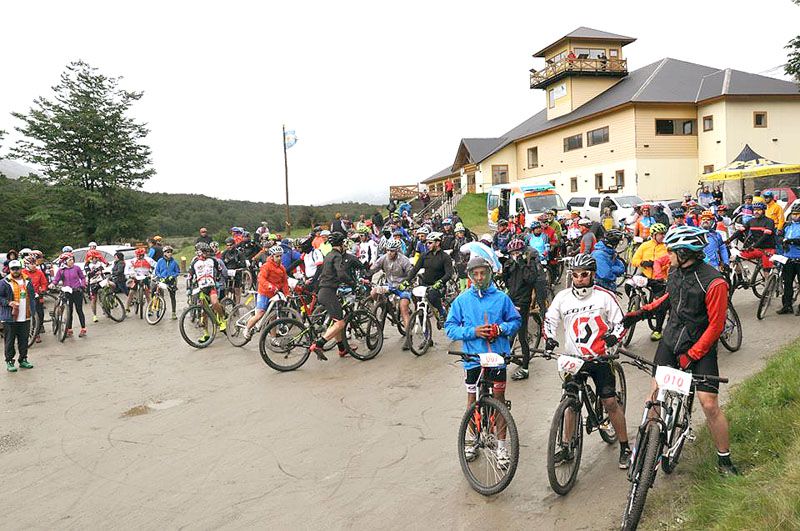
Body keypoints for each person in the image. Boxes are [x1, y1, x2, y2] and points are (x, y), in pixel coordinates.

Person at [622, 225, 738, 476]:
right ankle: (646, 446)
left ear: (684, 253)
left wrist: (693, 355)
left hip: (701, 347)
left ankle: (725, 460)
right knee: (654, 395)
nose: (668, 254)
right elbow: (669, 299)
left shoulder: (715, 282)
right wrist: (641, 313)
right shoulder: (674, 271)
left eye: (672, 250)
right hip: (671, 340)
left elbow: (716, 326)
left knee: (709, 404)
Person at [544, 254, 631, 468]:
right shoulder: (562, 297)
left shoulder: (604, 296)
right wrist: (550, 339)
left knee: (610, 402)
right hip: (574, 359)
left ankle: (625, 447)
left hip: (600, 357)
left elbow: (621, 322)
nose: (579, 279)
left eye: (584, 275)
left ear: (592, 275)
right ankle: (566, 446)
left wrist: (614, 337)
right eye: (575, 275)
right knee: (570, 403)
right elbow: (550, 320)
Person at [445, 255, 521, 467]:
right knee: (472, 400)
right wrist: (473, 332)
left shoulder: (502, 298)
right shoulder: (462, 300)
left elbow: (515, 321)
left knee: (499, 400)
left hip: (497, 357)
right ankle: (471, 441)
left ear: (489, 274)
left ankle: (502, 447)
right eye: (475, 274)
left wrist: (501, 329)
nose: (479, 277)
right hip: (473, 359)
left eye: (483, 273)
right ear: (470, 276)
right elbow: (450, 328)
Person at [309, 233, 356, 360]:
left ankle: (342, 348)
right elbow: (341, 274)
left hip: (323, 291)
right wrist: (352, 283)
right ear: (341, 244)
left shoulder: (328, 255)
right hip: (328, 292)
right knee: (340, 323)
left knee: (336, 320)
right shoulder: (337, 256)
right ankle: (319, 344)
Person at [502, 239, 543, 381]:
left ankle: (525, 368)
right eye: (512, 253)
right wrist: (506, 269)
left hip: (523, 301)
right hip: (511, 298)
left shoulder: (529, 263)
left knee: (521, 334)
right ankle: (506, 355)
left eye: (517, 253)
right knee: (506, 330)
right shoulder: (511, 263)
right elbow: (507, 282)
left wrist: (521, 263)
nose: (515, 255)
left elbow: (530, 279)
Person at [368, 239, 414, 348]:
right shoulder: (384, 258)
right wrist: (366, 273)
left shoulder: (404, 260)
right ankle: (386, 306)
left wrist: (406, 283)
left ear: (397, 251)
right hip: (389, 285)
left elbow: (411, 274)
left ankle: (409, 337)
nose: (389, 253)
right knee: (373, 292)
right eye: (388, 250)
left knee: (403, 308)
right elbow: (373, 268)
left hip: (403, 287)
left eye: (392, 251)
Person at [406, 232, 454, 330]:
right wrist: (406, 281)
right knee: (416, 299)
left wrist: (440, 282)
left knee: (432, 295)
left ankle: (442, 312)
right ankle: (426, 332)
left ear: (437, 243)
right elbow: (415, 270)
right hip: (424, 284)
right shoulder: (424, 255)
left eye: (430, 243)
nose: (427, 245)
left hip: (439, 285)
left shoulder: (445, 257)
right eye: (427, 243)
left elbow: (449, 273)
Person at [631, 223, 669, 341]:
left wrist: (659, 266)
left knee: (660, 306)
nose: (663, 236)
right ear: (653, 235)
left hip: (659, 279)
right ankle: (634, 303)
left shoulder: (666, 247)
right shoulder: (644, 246)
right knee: (629, 284)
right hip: (646, 276)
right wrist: (642, 263)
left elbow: (669, 263)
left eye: (664, 234)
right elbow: (634, 260)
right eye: (660, 234)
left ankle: (657, 330)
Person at [243, 246, 289, 340]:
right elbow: (261, 279)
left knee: (273, 317)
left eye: (281, 256)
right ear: (272, 256)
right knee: (260, 314)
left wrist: (287, 293)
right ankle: (246, 329)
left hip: (274, 294)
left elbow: (284, 282)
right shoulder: (266, 266)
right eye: (277, 256)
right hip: (264, 292)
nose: (279, 258)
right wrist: (270, 286)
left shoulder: (282, 268)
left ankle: (273, 338)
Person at [1, 260, 36, 372]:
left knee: (24, 340)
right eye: (13, 269)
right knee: (10, 340)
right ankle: (9, 361)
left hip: (25, 316)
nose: (15, 271)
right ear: (9, 270)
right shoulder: (4, 282)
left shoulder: (27, 280)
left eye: (17, 268)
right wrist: (8, 303)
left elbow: (32, 295)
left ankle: (23, 359)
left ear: (21, 269)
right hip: (10, 317)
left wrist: (33, 309)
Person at [189, 243, 226, 343]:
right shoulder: (194, 262)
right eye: (205, 251)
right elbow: (190, 275)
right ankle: (206, 334)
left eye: (208, 251)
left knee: (215, 303)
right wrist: (190, 286)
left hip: (211, 286)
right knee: (204, 312)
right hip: (201, 288)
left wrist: (217, 279)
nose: (207, 253)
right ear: (199, 252)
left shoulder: (213, 260)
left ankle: (222, 320)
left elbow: (219, 270)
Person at [729, 202, 776, 272]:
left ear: (763, 211)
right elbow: (740, 231)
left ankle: (769, 278)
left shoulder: (769, 221)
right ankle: (740, 276)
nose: (756, 212)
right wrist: (729, 240)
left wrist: (754, 246)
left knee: (766, 271)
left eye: (759, 210)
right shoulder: (751, 221)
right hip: (756, 248)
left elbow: (765, 236)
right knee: (736, 257)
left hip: (767, 249)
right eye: (755, 210)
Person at [52, 252, 88, 337]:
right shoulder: (61, 270)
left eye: (72, 260)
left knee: (79, 310)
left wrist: (83, 285)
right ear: (64, 261)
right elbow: (56, 280)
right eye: (70, 260)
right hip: (67, 292)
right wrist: (52, 284)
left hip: (77, 291)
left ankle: (83, 329)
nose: (72, 261)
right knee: (69, 311)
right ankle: (69, 329)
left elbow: (82, 277)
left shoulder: (77, 268)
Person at [777, 203, 800, 315]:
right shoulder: (788, 225)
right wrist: (782, 240)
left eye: (797, 214)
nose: (794, 216)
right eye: (793, 214)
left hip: (799, 259)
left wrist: (791, 241)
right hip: (788, 259)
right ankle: (787, 306)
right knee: (787, 283)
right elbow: (780, 236)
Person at [22, 256, 47, 344]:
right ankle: (29, 332)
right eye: (31, 264)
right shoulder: (22, 273)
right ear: (27, 265)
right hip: (25, 297)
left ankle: (37, 331)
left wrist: (42, 289)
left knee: (40, 314)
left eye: (34, 263)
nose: (34, 265)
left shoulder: (39, 272)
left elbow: (44, 283)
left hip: (37, 295)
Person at [155, 245, 180, 319]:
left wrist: (173, 276)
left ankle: (173, 312)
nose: (170, 253)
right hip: (162, 279)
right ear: (164, 253)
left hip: (171, 280)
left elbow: (178, 271)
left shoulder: (174, 262)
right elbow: (157, 271)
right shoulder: (160, 261)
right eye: (168, 252)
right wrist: (160, 277)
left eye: (171, 252)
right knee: (158, 292)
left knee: (172, 296)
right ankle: (159, 308)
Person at [84, 250, 106, 323]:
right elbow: (89, 275)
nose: (97, 259)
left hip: (101, 280)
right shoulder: (87, 265)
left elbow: (102, 270)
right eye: (95, 258)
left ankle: (109, 302)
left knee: (112, 285)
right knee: (94, 299)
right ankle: (94, 315)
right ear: (91, 258)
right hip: (92, 282)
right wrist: (96, 270)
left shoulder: (99, 263)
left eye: (97, 258)